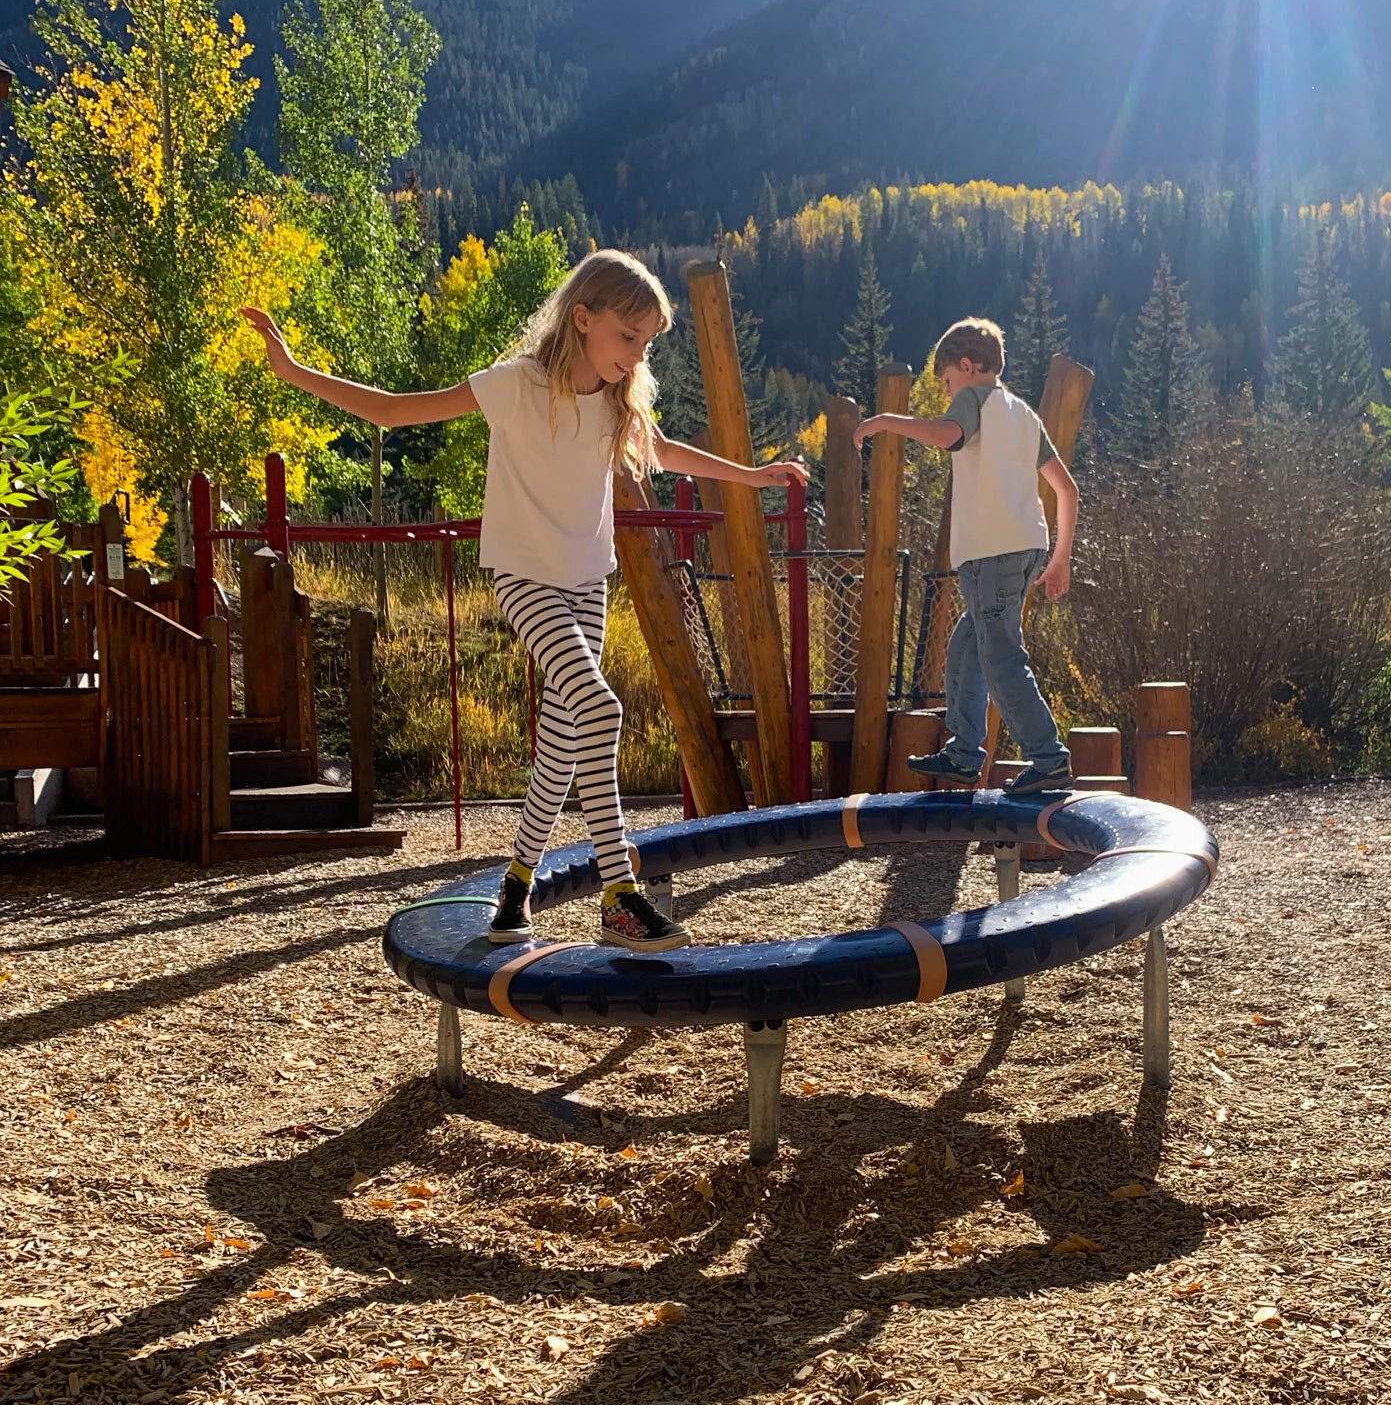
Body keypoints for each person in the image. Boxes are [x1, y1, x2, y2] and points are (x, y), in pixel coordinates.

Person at [241, 252, 806, 952]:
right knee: (601, 708)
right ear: (582, 317)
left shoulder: (614, 400)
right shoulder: (515, 386)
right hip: (525, 579)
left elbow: (665, 451)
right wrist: (294, 372)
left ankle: (515, 885)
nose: (637, 356)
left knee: (567, 745)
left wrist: (749, 477)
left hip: (584, 582)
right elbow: (394, 411)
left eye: (648, 343)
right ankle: (618, 897)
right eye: (628, 337)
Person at [853, 315, 1077, 796]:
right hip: (1023, 548)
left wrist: (886, 421)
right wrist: (1059, 558)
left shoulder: (974, 398)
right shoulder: (1024, 414)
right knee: (967, 650)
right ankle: (964, 752)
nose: (949, 392)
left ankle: (1049, 757)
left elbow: (946, 435)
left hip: (994, 553)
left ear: (968, 366)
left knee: (1000, 658)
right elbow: (1067, 489)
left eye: (948, 381)